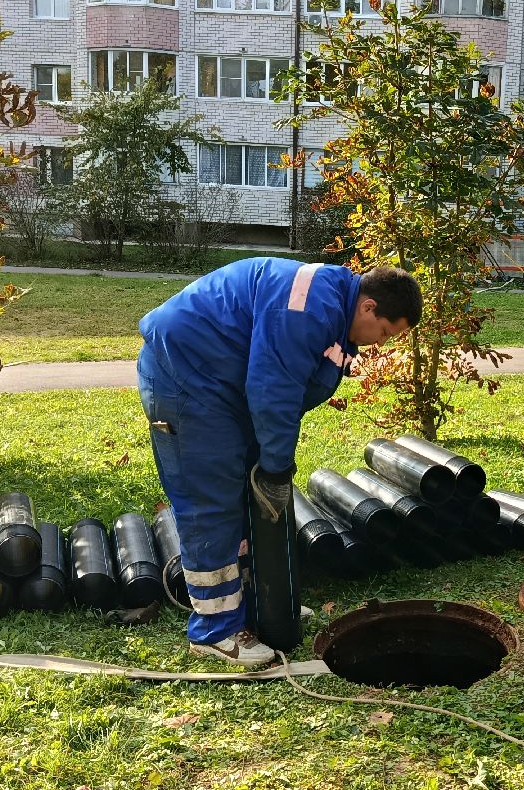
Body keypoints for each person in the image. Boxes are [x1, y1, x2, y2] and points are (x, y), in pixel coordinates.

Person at [137, 257, 421, 667]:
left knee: (244, 495)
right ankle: (216, 631)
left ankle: (254, 609)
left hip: (224, 387)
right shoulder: (310, 307)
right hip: (186, 380)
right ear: (369, 307)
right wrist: (275, 467)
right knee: (212, 500)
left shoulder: (334, 308)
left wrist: (269, 466)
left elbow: (294, 383)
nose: (380, 344)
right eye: (385, 333)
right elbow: (274, 392)